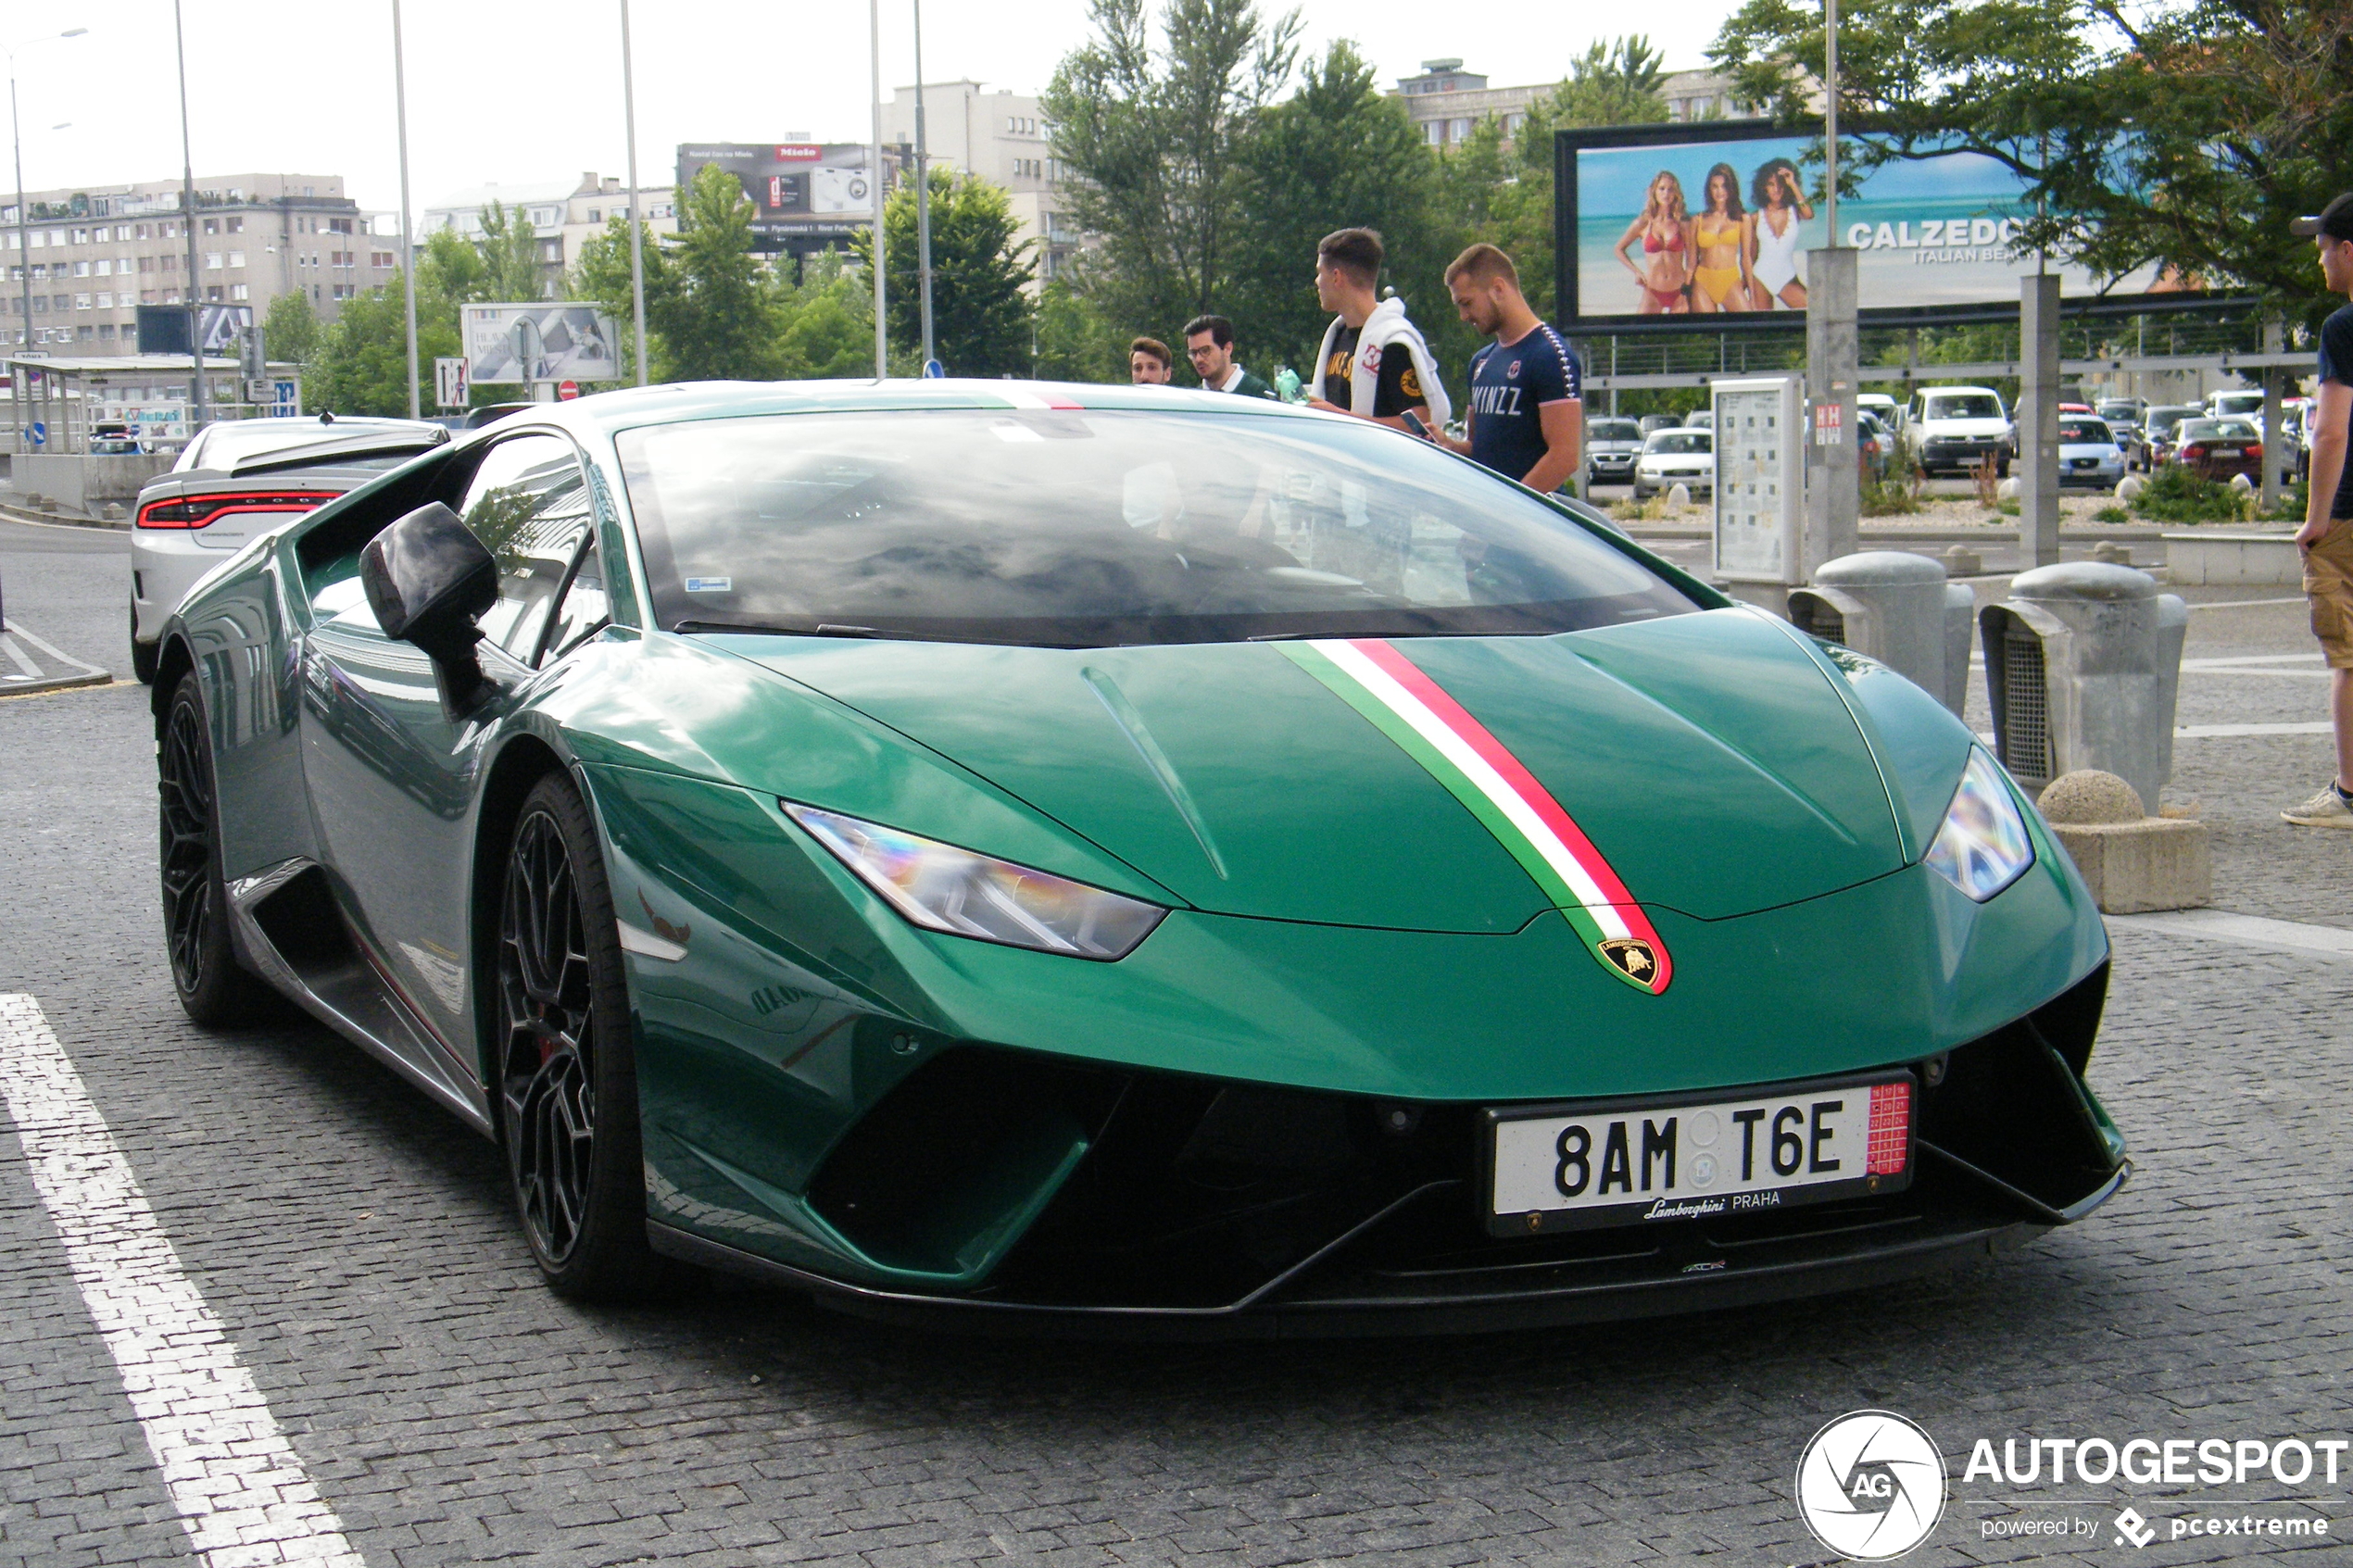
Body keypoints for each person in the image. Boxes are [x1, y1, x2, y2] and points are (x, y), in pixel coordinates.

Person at [2283, 193, 2353, 828]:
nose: (2320, 260)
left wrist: (2315, 519)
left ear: (2349, 251)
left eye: (2324, 248)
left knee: (2349, 655)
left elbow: (2331, 434)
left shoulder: (2343, 327)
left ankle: (2349, 792)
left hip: (2350, 517)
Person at [1433, 243, 1583, 494]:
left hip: (1532, 523)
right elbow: (1479, 448)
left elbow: (1564, 458)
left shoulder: (1550, 355)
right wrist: (1449, 445)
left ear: (1498, 289)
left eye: (1467, 303)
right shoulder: (1481, 362)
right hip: (1491, 518)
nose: (1463, 315)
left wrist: (1512, 510)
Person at [1307, 228, 1450, 432]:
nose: (1317, 282)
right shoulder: (1336, 335)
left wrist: (1340, 418)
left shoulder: (1393, 344)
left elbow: (1420, 425)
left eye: (1320, 273)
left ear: (1336, 277)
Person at [1612, 170, 1692, 315]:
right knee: (1638, 334)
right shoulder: (1642, 223)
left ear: (1676, 193)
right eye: (1662, 188)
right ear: (1654, 191)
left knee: (1684, 336)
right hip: (1653, 291)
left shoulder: (1682, 223)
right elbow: (1618, 249)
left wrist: (1689, 287)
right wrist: (1637, 272)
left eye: (1670, 189)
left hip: (1680, 292)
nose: (1666, 193)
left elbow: (1693, 258)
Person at [1747, 158, 1813, 310]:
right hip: (1761, 276)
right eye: (1771, 184)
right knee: (1763, 329)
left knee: (1815, 310)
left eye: (1780, 184)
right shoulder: (1756, 217)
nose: (1776, 189)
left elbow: (1809, 214)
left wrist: (1793, 183)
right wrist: (1748, 287)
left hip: (1787, 276)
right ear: (1764, 187)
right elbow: (1751, 255)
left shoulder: (1794, 212)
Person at [1691, 163, 1751, 314]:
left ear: (1732, 188)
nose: (1719, 192)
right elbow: (1691, 261)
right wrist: (1685, 293)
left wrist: (1753, 297)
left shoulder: (1743, 219)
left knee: (1749, 327)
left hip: (1730, 280)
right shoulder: (1698, 220)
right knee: (1707, 335)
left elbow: (1746, 259)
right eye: (1714, 186)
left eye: (1724, 186)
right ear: (1708, 189)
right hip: (1702, 280)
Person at [1183, 316, 1277, 398]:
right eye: (1193, 353)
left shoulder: (1257, 393)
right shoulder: (1195, 399)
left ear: (1227, 349)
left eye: (1205, 350)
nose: (1198, 359)